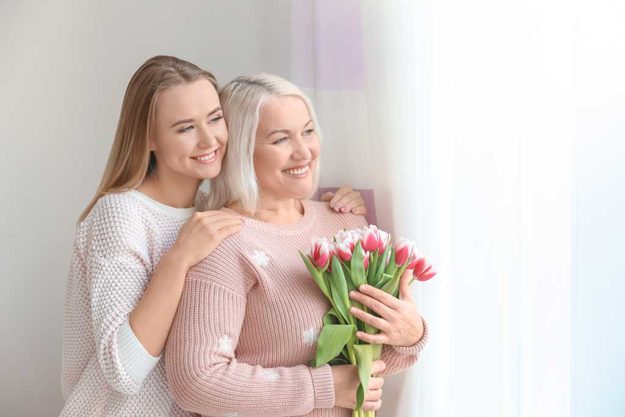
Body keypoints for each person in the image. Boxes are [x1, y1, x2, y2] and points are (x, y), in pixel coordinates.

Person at [61, 56, 367, 417]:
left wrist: (337, 207)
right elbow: (123, 371)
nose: (210, 139)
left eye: (215, 118)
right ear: (149, 136)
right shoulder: (121, 214)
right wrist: (179, 258)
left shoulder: (210, 210)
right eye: (185, 128)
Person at [165, 73, 428, 417]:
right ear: (242, 149)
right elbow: (197, 382)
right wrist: (324, 387)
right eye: (280, 140)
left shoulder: (345, 223)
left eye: (307, 131)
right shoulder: (224, 241)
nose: (304, 151)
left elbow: (363, 371)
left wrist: (410, 334)